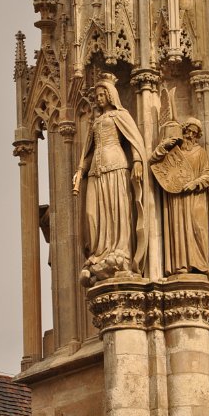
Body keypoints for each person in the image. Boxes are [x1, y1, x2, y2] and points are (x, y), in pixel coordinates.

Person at [73, 74, 148, 284]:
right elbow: (89, 152)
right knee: (93, 212)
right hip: (96, 170)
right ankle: (99, 252)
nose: (99, 99)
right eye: (96, 96)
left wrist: (138, 161)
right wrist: (81, 170)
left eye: (102, 95)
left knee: (116, 208)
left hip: (116, 164)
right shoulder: (95, 121)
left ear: (110, 95)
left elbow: (134, 140)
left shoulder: (120, 116)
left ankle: (119, 250)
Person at [150, 117, 209, 277]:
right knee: (178, 229)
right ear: (183, 131)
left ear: (197, 136)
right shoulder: (173, 152)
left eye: (194, 133)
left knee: (198, 228)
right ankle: (181, 266)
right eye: (188, 131)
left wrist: (195, 183)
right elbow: (153, 161)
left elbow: (207, 175)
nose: (190, 135)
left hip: (194, 197)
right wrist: (164, 146)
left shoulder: (200, 153)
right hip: (176, 199)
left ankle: (200, 264)